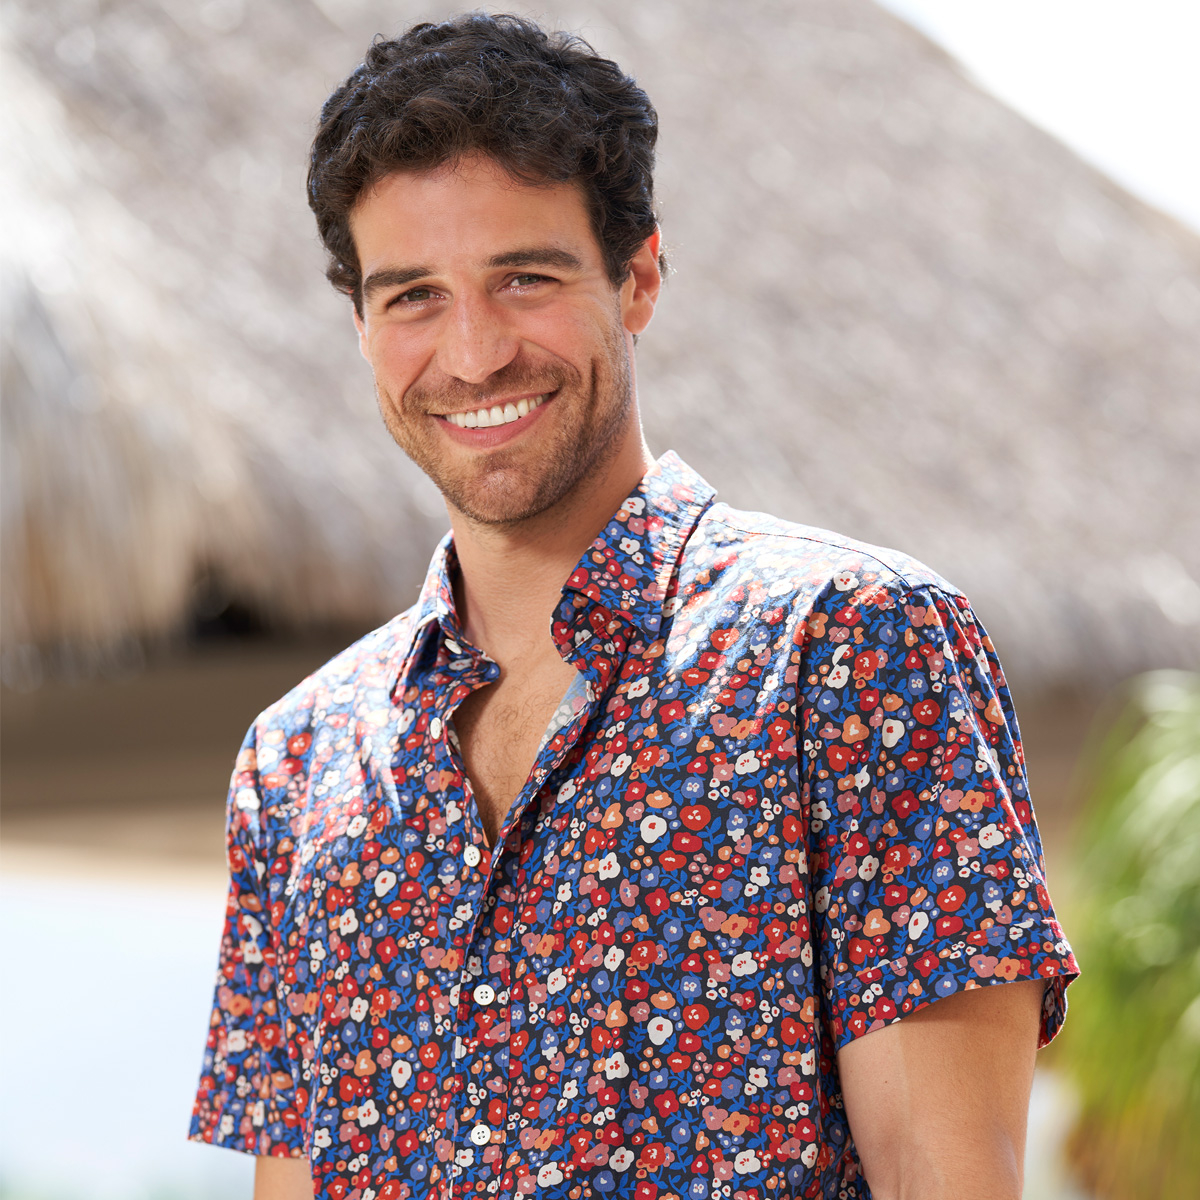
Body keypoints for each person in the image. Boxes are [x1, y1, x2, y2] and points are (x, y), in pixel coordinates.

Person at [189, 13, 1078, 1200]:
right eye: (413, 297)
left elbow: (943, 1176)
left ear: (639, 278)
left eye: (525, 278)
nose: (472, 354)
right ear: (361, 327)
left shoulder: (851, 647)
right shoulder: (296, 764)